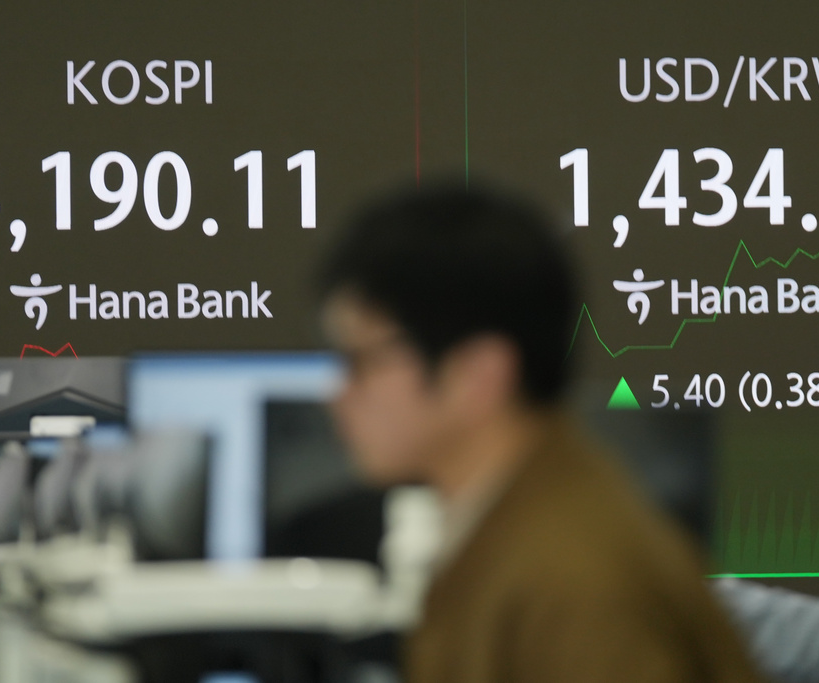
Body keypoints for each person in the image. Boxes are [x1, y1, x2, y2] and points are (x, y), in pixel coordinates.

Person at [318, 182, 761, 683]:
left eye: (363, 361)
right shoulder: (517, 526)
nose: (338, 394)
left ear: (478, 375)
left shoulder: (575, 580)